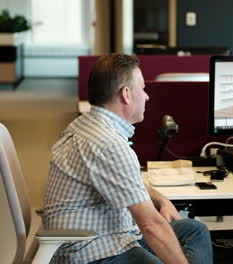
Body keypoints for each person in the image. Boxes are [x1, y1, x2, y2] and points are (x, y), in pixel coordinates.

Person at [43, 54, 213, 264]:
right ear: (126, 94)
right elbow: (150, 225)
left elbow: (129, 185)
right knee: (164, 246)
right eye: (142, 89)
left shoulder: (87, 124)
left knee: (194, 230)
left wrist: (161, 200)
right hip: (90, 252)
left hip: (108, 235)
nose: (147, 96)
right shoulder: (109, 144)